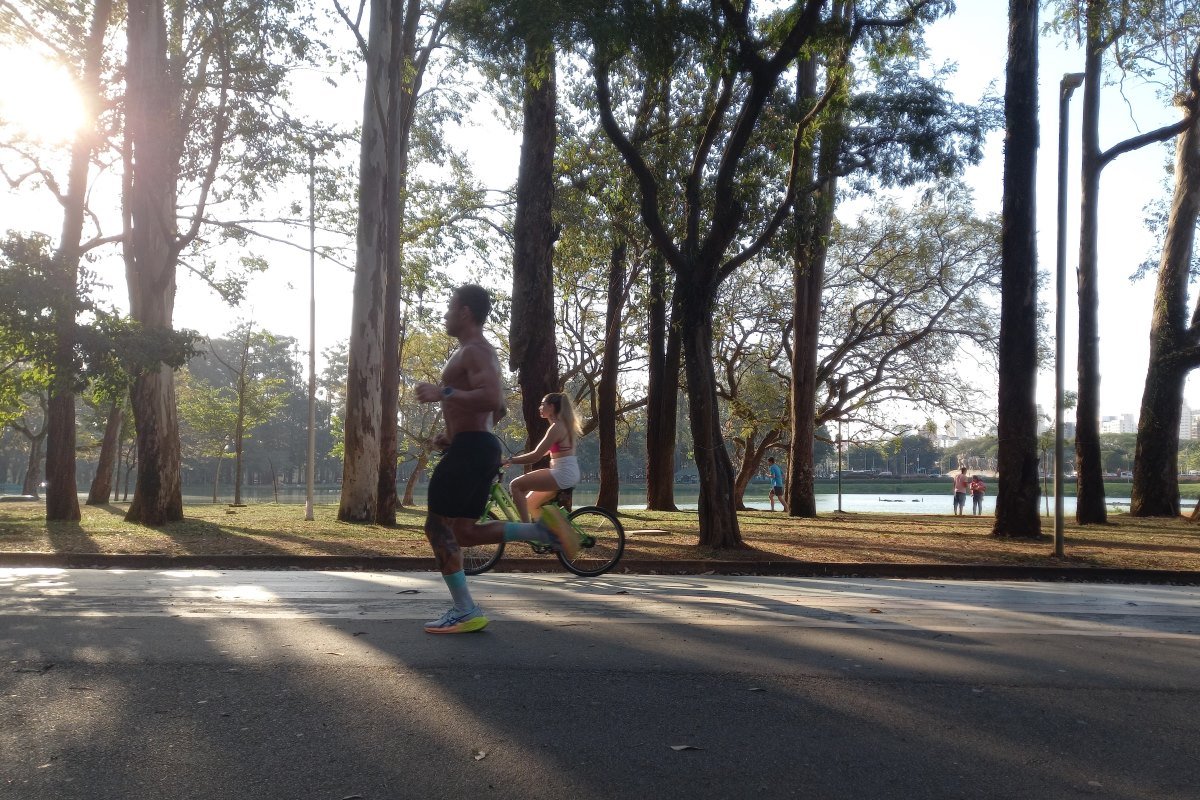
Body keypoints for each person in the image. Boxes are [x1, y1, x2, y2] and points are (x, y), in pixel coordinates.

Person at [414, 285, 580, 635]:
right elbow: (499, 408)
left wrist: (441, 392)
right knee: (464, 532)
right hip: (474, 444)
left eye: (449, 307)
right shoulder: (476, 353)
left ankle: (465, 610)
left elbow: (490, 397)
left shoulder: (475, 350)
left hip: (473, 448)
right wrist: (456, 432)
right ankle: (542, 531)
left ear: (465, 312)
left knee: (437, 527)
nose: (444, 314)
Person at [503, 392, 582, 521]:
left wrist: (511, 460)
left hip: (562, 474)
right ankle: (551, 532)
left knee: (515, 485)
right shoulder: (562, 426)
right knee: (529, 504)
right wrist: (514, 459)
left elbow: (536, 456)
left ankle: (525, 529)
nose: (540, 407)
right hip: (566, 473)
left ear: (551, 407)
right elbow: (542, 452)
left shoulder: (556, 428)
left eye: (542, 404)